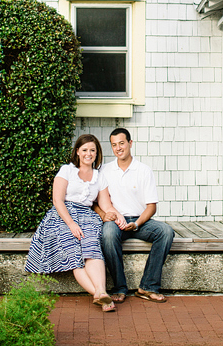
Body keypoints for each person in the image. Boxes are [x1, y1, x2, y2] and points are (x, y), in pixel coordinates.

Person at [25, 134, 124, 312]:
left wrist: (118, 215)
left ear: (97, 153)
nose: (89, 153)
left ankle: (100, 292)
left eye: (92, 150)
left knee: (92, 246)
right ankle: (102, 296)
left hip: (88, 216)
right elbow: (57, 200)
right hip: (63, 216)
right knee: (73, 252)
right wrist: (71, 224)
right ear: (77, 151)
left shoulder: (99, 177)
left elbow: (105, 204)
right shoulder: (67, 170)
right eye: (85, 150)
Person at [96, 128, 175, 303]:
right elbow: (95, 202)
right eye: (114, 145)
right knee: (107, 235)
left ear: (130, 144)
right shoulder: (105, 170)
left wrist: (137, 223)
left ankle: (147, 286)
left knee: (166, 232)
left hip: (140, 221)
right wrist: (104, 215)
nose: (118, 148)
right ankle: (119, 287)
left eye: (121, 143)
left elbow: (151, 207)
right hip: (116, 221)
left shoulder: (143, 170)